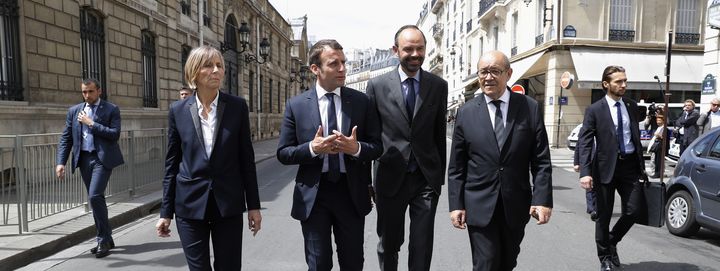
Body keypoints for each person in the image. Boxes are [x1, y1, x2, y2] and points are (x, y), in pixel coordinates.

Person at [277, 39, 382, 271]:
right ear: (316, 69)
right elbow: (284, 153)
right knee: (318, 264)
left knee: (353, 263)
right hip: (314, 197)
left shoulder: (361, 102)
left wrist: (356, 149)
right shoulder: (296, 105)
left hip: (351, 193)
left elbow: (377, 146)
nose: (343, 68)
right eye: (334, 64)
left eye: (343, 62)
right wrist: (313, 148)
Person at [155, 46, 262, 270]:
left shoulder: (237, 107)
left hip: (228, 204)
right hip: (190, 205)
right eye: (208, 65)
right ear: (194, 72)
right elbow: (171, 165)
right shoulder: (178, 110)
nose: (216, 70)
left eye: (219, 65)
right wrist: (166, 212)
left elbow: (246, 161)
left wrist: (253, 206)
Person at [447, 51, 552, 271]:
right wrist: (456, 205)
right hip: (478, 205)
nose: (488, 77)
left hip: (515, 204)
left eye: (495, 71)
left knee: (507, 262)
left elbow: (541, 161)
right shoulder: (466, 113)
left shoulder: (529, 108)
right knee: (486, 264)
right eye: (483, 72)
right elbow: (457, 166)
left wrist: (542, 199)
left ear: (509, 74)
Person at [366, 25, 448, 271]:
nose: (415, 54)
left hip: (425, 180)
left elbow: (439, 134)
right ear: (395, 50)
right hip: (390, 179)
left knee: (422, 245)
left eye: (420, 48)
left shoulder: (438, 86)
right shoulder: (377, 86)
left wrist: (438, 177)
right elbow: (372, 138)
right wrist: (368, 182)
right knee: (389, 243)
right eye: (408, 49)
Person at [578, 65, 645, 271]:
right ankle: (605, 257)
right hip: (605, 169)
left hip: (630, 167)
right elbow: (585, 141)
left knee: (634, 211)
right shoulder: (594, 110)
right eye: (619, 81)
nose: (623, 85)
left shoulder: (631, 106)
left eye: (625, 81)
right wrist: (585, 173)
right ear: (606, 84)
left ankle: (611, 240)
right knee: (603, 215)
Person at [56, 78, 124, 258]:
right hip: (84, 159)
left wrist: (91, 123)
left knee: (94, 195)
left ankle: (102, 239)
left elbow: (114, 134)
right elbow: (66, 138)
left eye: (90, 91)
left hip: (102, 159)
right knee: (95, 200)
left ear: (99, 91)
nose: (87, 95)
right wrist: (60, 162)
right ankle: (106, 237)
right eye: (84, 92)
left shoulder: (111, 109)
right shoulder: (74, 111)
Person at [574, 134, 597, 222]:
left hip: (601, 162)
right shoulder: (586, 131)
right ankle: (592, 209)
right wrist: (576, 162)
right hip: (588, 162)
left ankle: (596, 207)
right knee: (589, 186)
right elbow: (579, 146)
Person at [647, 113, 670, 178]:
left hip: (661, 147)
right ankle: (656, 173)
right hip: (657, 147)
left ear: (663, 121)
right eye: (657, 120)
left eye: (659, 120)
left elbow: (665, 138)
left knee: (659, 161)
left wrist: (658, 136)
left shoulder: (665, 129)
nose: (658, 122)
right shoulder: (659, 128)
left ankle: (658, 173)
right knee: (656, 161)